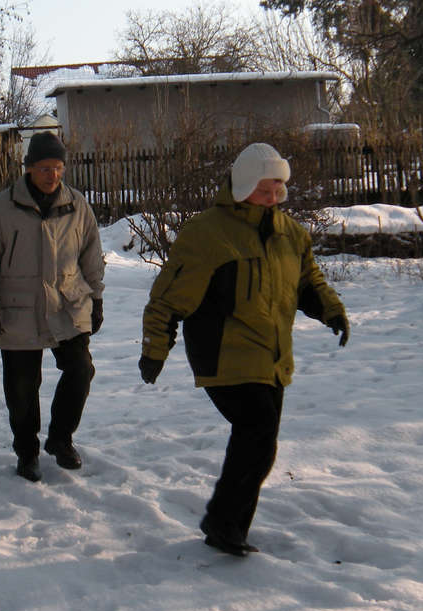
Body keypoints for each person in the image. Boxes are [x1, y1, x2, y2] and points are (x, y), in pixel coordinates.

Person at [139, 142, 349, 556]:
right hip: (222, 353)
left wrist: (333, 312)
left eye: (277, 191)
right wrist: (155, 349)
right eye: (263, 190)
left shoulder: (290, 234)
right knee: (257, 431)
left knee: (262, 441)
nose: (272, 199)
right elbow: (168, 297)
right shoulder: (208, 233)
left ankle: (232, 526)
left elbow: (308, 283)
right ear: (242, 186)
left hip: (270, 356)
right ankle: (222, 523)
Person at [0, 131, 105, 482]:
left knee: (81, 370)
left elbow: (91, 255)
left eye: (58, 167)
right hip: (18, 310)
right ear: (28, 169)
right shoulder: (2, 207)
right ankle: (26, 453)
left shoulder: (77, 205)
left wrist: (96, 297)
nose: (52, 175)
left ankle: (60, 439)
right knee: (22, 388)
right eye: (44, 167)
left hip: (67, 306)